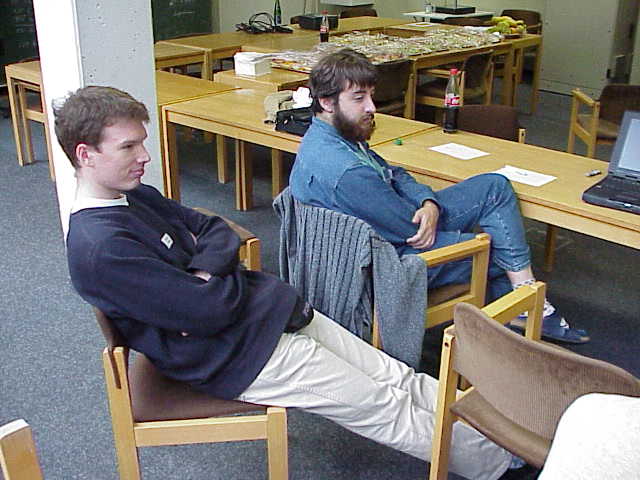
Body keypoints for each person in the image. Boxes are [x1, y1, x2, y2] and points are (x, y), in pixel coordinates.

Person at [55, 85, 514, 480]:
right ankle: (506, 464)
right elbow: (208, 310)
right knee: (384, 405)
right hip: (241, 354)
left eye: (142, 143)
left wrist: (207, 272)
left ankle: (509, 431)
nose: (145, 157)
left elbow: (215, 228)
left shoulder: (134, 196)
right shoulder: (101, 249)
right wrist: (218, 273)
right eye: (128, 147)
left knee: (397, 376)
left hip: (270, 312)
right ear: (85, 154)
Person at [289, 48, 589, 344]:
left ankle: (517, 302)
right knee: (500, 246)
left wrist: (428, 202)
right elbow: (410, 230)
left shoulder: (329, 136)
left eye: (371, 95)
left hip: (388, 227)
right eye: (359, 98)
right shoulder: (347, 171)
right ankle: (520, 306)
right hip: (388, 258)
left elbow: (395, 173)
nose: (372, 107)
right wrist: (431, 216)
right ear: (326, 102)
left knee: (494, 187)